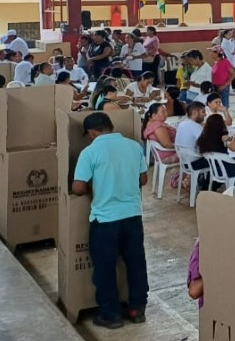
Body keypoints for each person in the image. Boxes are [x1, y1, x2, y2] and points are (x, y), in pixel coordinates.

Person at [71, 112, 149, 328]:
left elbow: (78, 188)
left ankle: (110, 315)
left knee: (105, 268)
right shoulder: (133, 146)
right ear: (110, 126)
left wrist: (95, 184)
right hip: (133, 216)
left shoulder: (90, 152)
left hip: (105, 220)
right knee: (136, 263)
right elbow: (143, 178)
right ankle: (137, 309)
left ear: (92, 132)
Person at [175, 102, 208, 172]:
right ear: (195, 113)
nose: (205, 114)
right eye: (203, 112)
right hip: (194, 162)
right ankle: (209, 182)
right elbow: (207, 144)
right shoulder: (196, 126)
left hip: (184, 161)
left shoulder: (182, 124)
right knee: (218, 160)